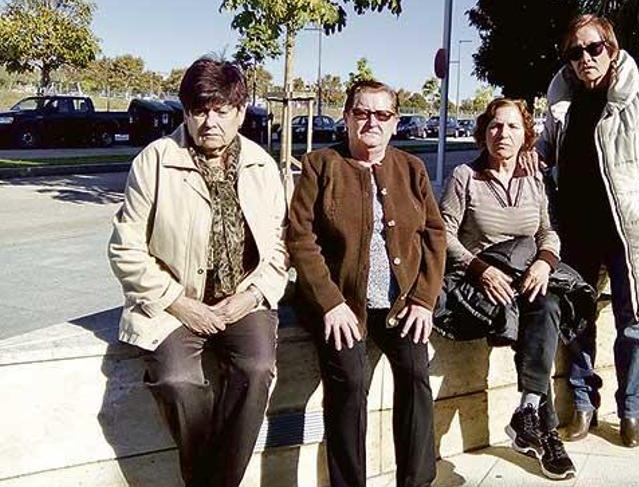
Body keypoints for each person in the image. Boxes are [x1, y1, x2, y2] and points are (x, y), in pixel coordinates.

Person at [108, 56, 289, 486]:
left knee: (258, 369)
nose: (210, 121)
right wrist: (178, 303)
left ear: (240, 111)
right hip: (173, 301)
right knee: (177, 381)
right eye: (199, 110)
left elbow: (281, 248)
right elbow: (124, 247)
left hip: (243, 297)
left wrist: (252, 295)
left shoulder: (263, 167)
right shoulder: (156, 161)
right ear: (186, 112)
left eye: (221, 110)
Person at [530, 14, 639, 447]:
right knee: (578, 322)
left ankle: (630, 409)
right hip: (576, 231)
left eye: (593, 48)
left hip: (627, 234)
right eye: (574, 53)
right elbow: (547, 146)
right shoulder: (563, 102)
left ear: (611, 49)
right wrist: (535, 155)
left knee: (630, 322)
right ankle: (583, 406)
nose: (584, 59)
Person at [288, 80, 446, 487]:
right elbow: (300, 238)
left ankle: (417, 480)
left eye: (382, 114)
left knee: (414, 374)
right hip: (343, 304)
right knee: (349, 384)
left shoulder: (411, 169)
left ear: (394, 122)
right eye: (361, 113)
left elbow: (434, 234)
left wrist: (424, 298)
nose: (371, 122)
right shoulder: (319, 165)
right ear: (346, 118)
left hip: (400, 303)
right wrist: (329, 302)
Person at [439, 98, 577, 480]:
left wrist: (543, 263)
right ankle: (543, 432)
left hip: (525, 277)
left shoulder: (534, 177)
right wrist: (481, 268)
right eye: (496, 126)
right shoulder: (465, 176)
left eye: (513, 127)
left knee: (546, 304)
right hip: (480, 283)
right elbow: (444, 234)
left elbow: (547, 232)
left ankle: (528, 410)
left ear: (525, 135)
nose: (503, 133)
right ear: (484, 132)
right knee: (541, 313)